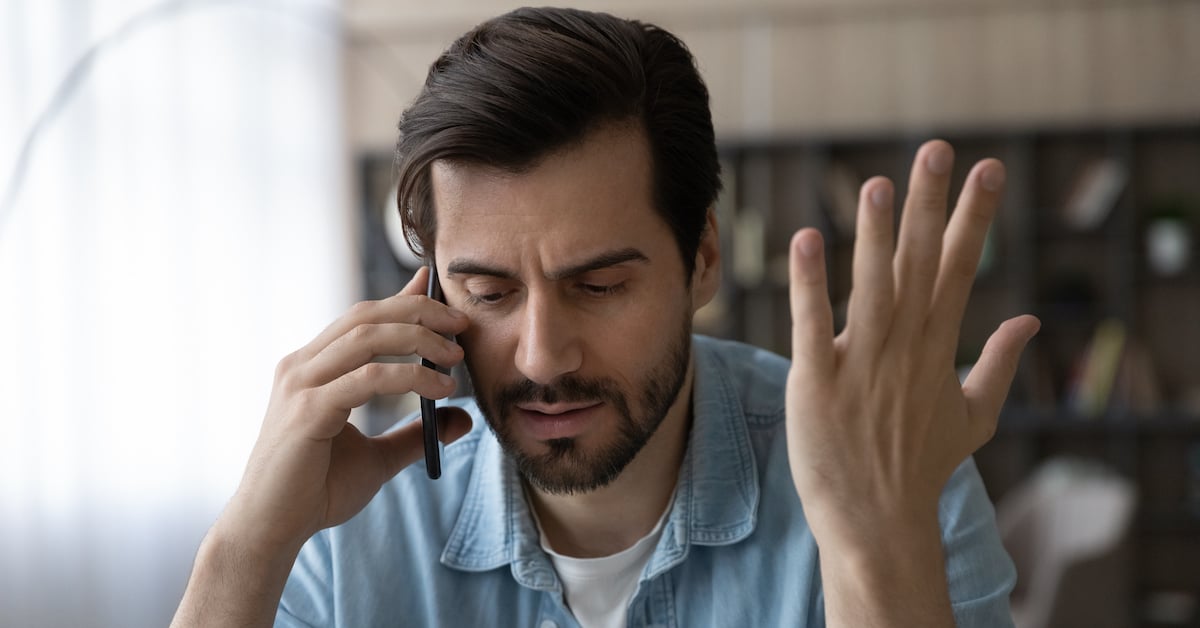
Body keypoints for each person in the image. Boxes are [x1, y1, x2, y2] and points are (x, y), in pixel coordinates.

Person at [172, 7, 1039, 628]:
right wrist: (246, 545)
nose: (543, 357)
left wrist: (869, 551)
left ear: (702, 258)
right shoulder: (351, 522)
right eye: (490, 292)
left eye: (598, 284)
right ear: (431, 291)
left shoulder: (880, 470)